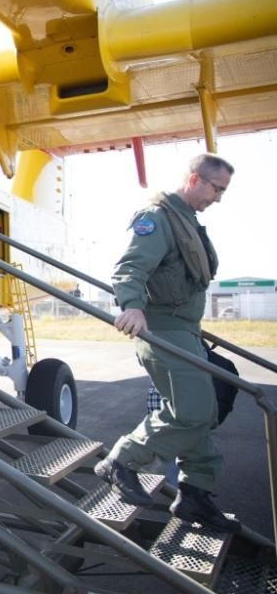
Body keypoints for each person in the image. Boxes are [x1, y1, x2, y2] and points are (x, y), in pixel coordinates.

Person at [94, 154, 239, 533]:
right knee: (191, 411)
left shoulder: (187, 220)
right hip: (161, 329)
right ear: (195, 179)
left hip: (184, 329)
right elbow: (129, 268)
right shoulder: (157, 217)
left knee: (202, 412)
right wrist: (133, 308)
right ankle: (121, 460)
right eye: (216, 188)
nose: (219, 198)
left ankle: (195, 493)